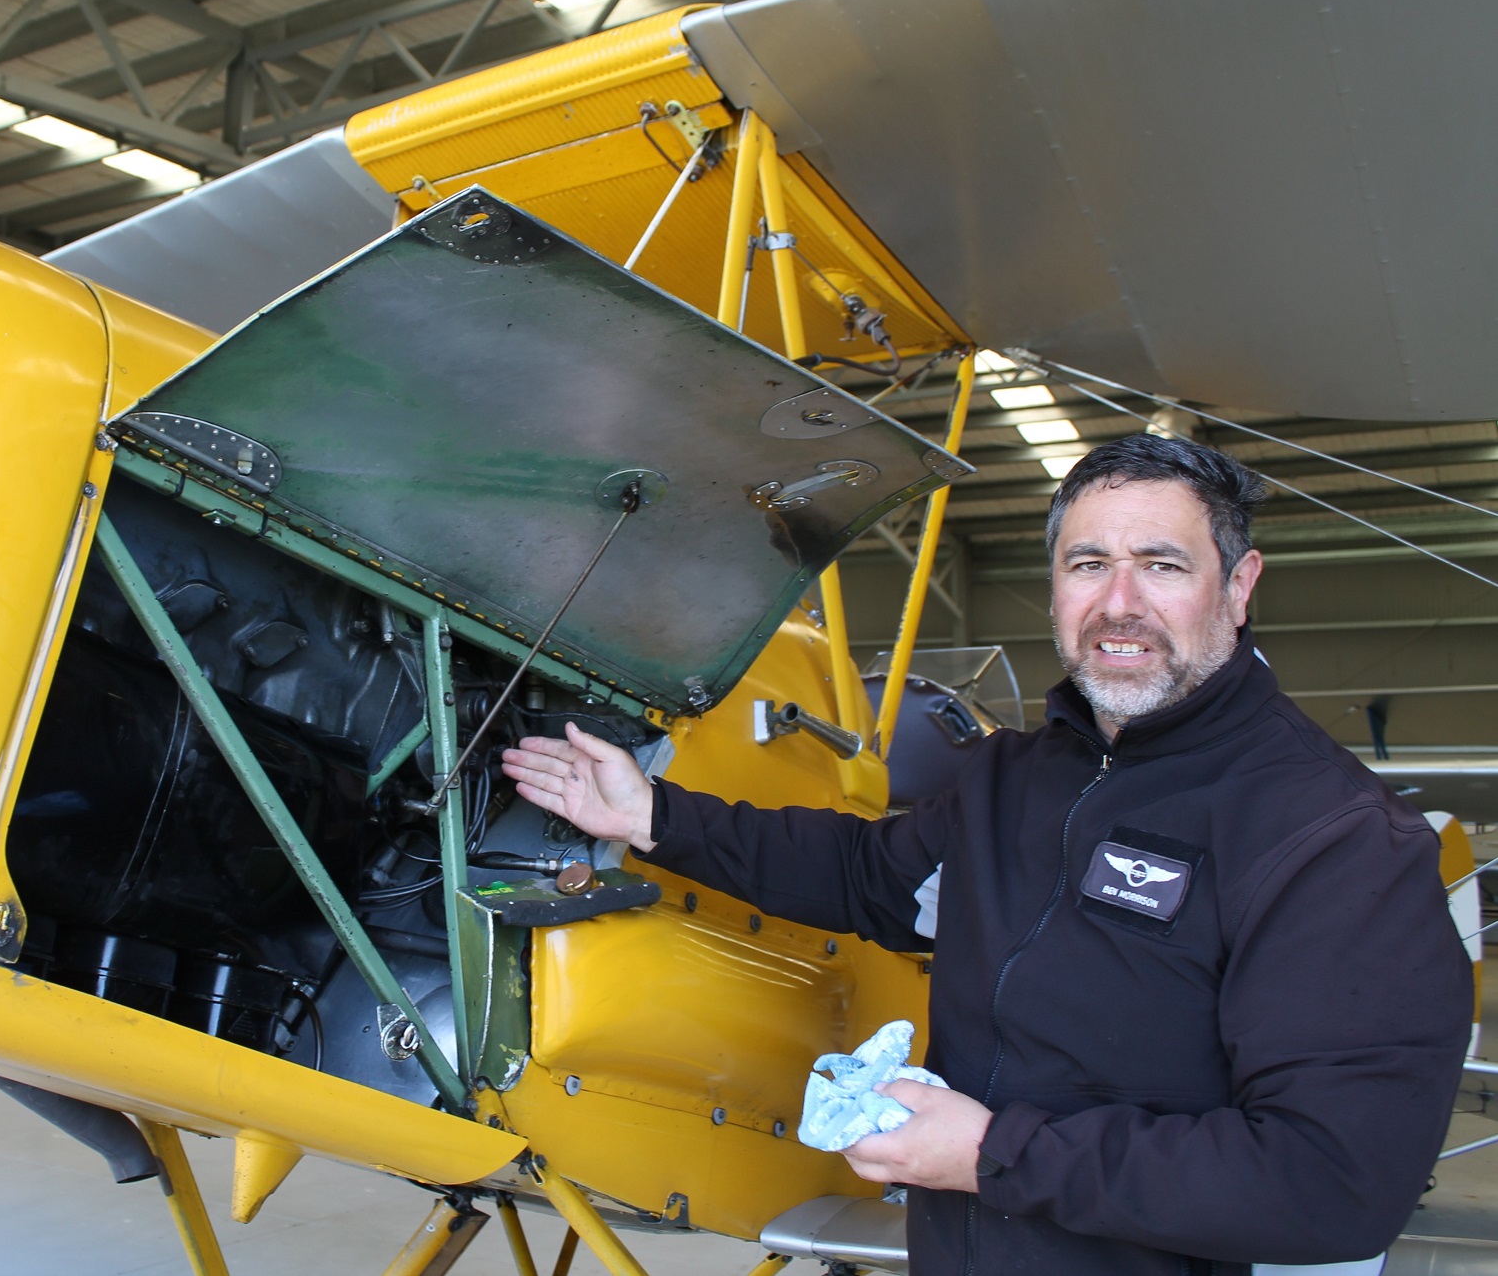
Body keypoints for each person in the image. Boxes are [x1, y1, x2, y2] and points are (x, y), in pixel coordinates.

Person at [501, 434, 1470, 1276]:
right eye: (1087, 564)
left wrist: (995, 1153)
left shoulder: (1331, 837)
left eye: (1162, 566)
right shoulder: (1015, 776)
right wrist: (654, 816)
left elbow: (1333, 1180)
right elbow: (864, 876)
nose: (1118, 602)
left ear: (1240, 583)